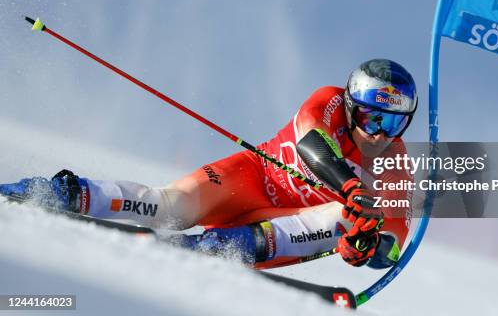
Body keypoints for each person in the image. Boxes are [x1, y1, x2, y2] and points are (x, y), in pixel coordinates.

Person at [0, 59, 417, 269]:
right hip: (251, 177)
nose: (380, 133)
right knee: (169, 205)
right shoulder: (327, 100)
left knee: (353, 216)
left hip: (285, 222)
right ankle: (60, 193)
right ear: (349, 105)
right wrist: (352, 185)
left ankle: (223, 248)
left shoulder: (395, 165)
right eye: (370, 117)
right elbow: (313, 146)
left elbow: (392, 243)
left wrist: (366, 249)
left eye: (394, 123)